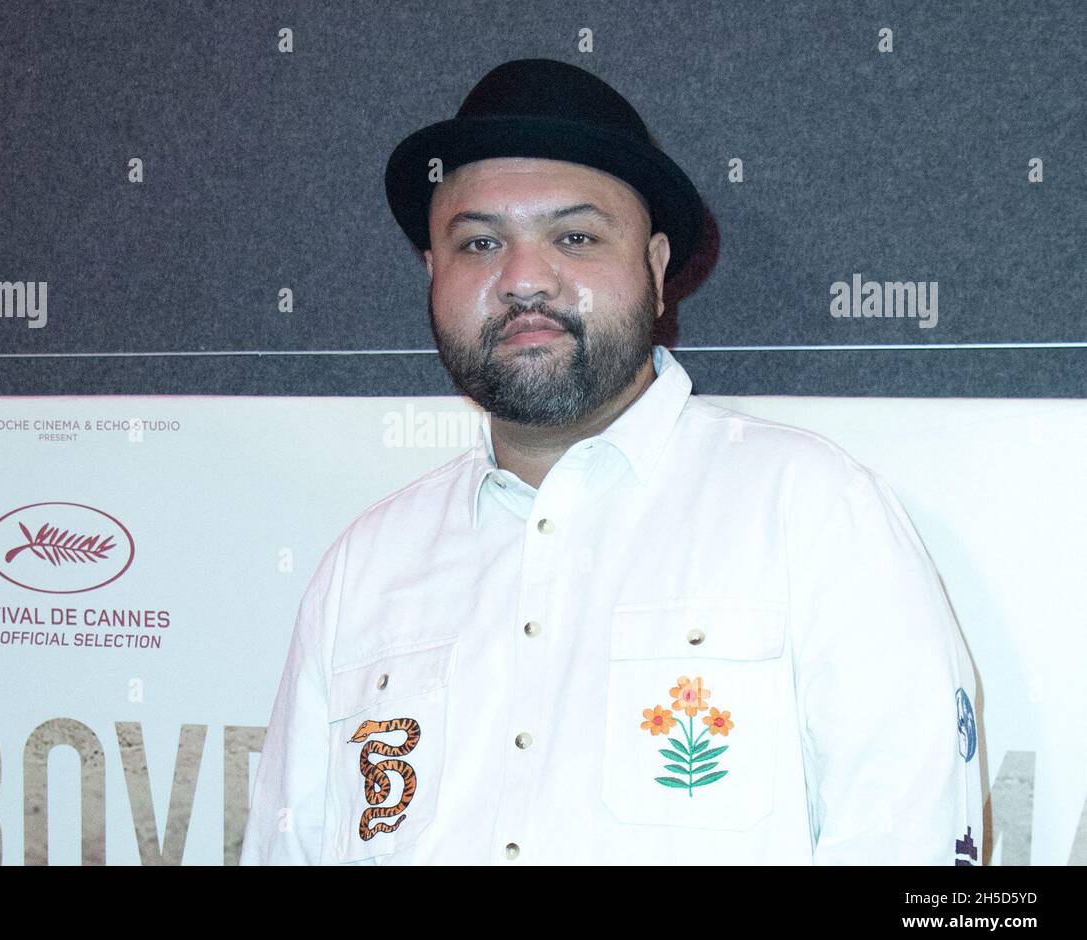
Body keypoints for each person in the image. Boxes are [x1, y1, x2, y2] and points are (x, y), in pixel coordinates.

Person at [239, 58, 984, 865]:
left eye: (575, 237)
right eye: (480, 242)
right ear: (433, 274)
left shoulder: (811, 514)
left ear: (657, 270)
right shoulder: (365, 568)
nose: (524, 279)